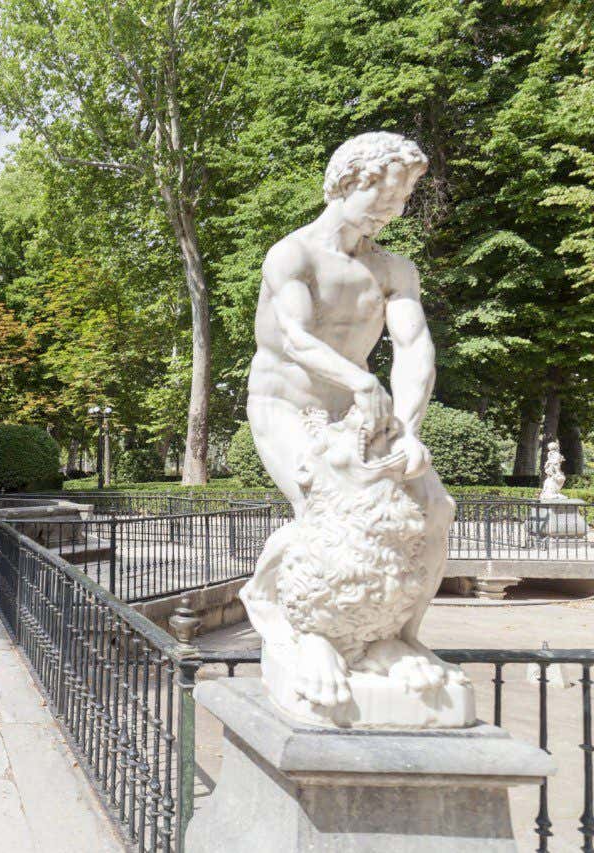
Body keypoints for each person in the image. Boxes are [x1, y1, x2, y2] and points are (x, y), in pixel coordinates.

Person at [242, 132, 460, 708]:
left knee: (435, 506)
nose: (395, 210)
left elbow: (414, 346)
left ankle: (395, 639)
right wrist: (363, 380)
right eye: (386, 197)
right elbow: (294, 337)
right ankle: (310, 633)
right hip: (286, 405)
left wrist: (408, 427)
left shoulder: (394, 270)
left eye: (404, 199)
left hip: (356, 414)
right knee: (323, 509)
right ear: (349, 182)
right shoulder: (294, 254)